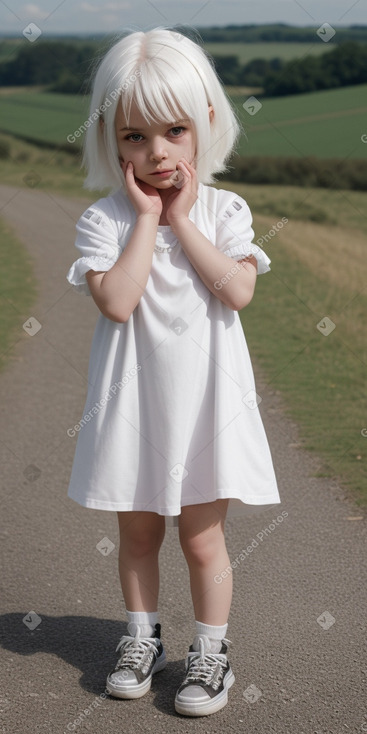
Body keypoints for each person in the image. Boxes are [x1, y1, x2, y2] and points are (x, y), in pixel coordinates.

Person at [66, 26, 281, 717]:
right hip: (135, 406)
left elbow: (237, 290)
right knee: (137, 533)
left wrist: (182, 221)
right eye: (134, 136)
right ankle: (141, 639)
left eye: (174, 130)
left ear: (206, 124)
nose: (156, 152)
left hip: (205, 406)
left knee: (201, 535)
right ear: (110, 138)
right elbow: (119, 302)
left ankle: (209, 654)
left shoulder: (224, 211)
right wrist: (144, 220)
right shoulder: (104, 220)